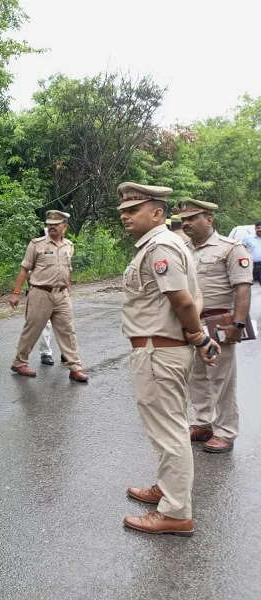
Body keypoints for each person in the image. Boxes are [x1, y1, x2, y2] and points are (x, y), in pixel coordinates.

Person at [117, 182, 220, 537]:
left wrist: (197, 334)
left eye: (133, 210)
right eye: (124, 212)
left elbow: (185, 301)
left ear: (157, 212)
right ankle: (167, 488)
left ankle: (176, 512)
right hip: (160, 348)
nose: (125, 217)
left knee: (170, 431)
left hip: (158, 351)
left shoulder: (160, 246)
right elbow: (195, 295)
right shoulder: (172, 243)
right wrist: (196, 336)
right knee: (166, 428)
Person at [179, 199, 253, 453]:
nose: (186, 223)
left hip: (219, 320)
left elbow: (242, 288)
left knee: (220, 378)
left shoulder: (231, 249)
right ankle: (203, 422)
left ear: (209, 219)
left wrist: (238, 324)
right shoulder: (182, 248)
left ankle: (226, 431)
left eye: (192, 218)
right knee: (196, 375)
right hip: (190, 321)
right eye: (183, 220)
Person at [9, 210, 89, 382]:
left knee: (68, 331)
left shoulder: (69, 245)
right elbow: (24, 269)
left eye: (55, 225)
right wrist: (16, 293)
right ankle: (19, 362)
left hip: (61, 294)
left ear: (64, 227)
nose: (51, 227)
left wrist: (68, 291)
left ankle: (75, 367)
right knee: (32, 329)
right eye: (49, 225)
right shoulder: (36, 244)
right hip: (40, 293)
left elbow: (67, 271)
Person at [241, 220, 261, 286]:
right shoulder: (248, 238)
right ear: (255, 228)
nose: (260, 230)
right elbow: (241, 249)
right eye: (258, 228)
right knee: (250, 285)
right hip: (251, 265)